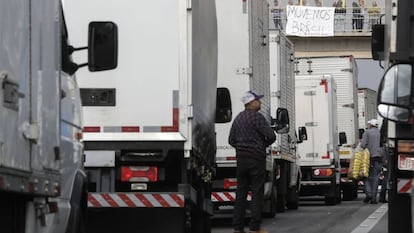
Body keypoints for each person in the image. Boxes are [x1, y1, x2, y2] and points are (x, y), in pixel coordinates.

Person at [229, 91, 276, 233]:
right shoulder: (257, 118)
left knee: (241, 193)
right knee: (257, 193)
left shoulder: (238, 118)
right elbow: (271, 136)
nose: (260, 103)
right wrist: (261, 145)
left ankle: (238, 227)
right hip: (256, 159)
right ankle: (255, 227)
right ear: (251, 103)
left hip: (241, 160)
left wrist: (241, 147)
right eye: (258, 100)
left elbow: (231, 140)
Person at [361, 119, 383, 204]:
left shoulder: (367, 132)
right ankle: (374, 198)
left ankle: (369, 194)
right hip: (379, 157)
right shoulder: (380, 133)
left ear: (371, 125)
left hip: (369, 158)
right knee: (376, 177)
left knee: (366, 176)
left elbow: (363, 145)